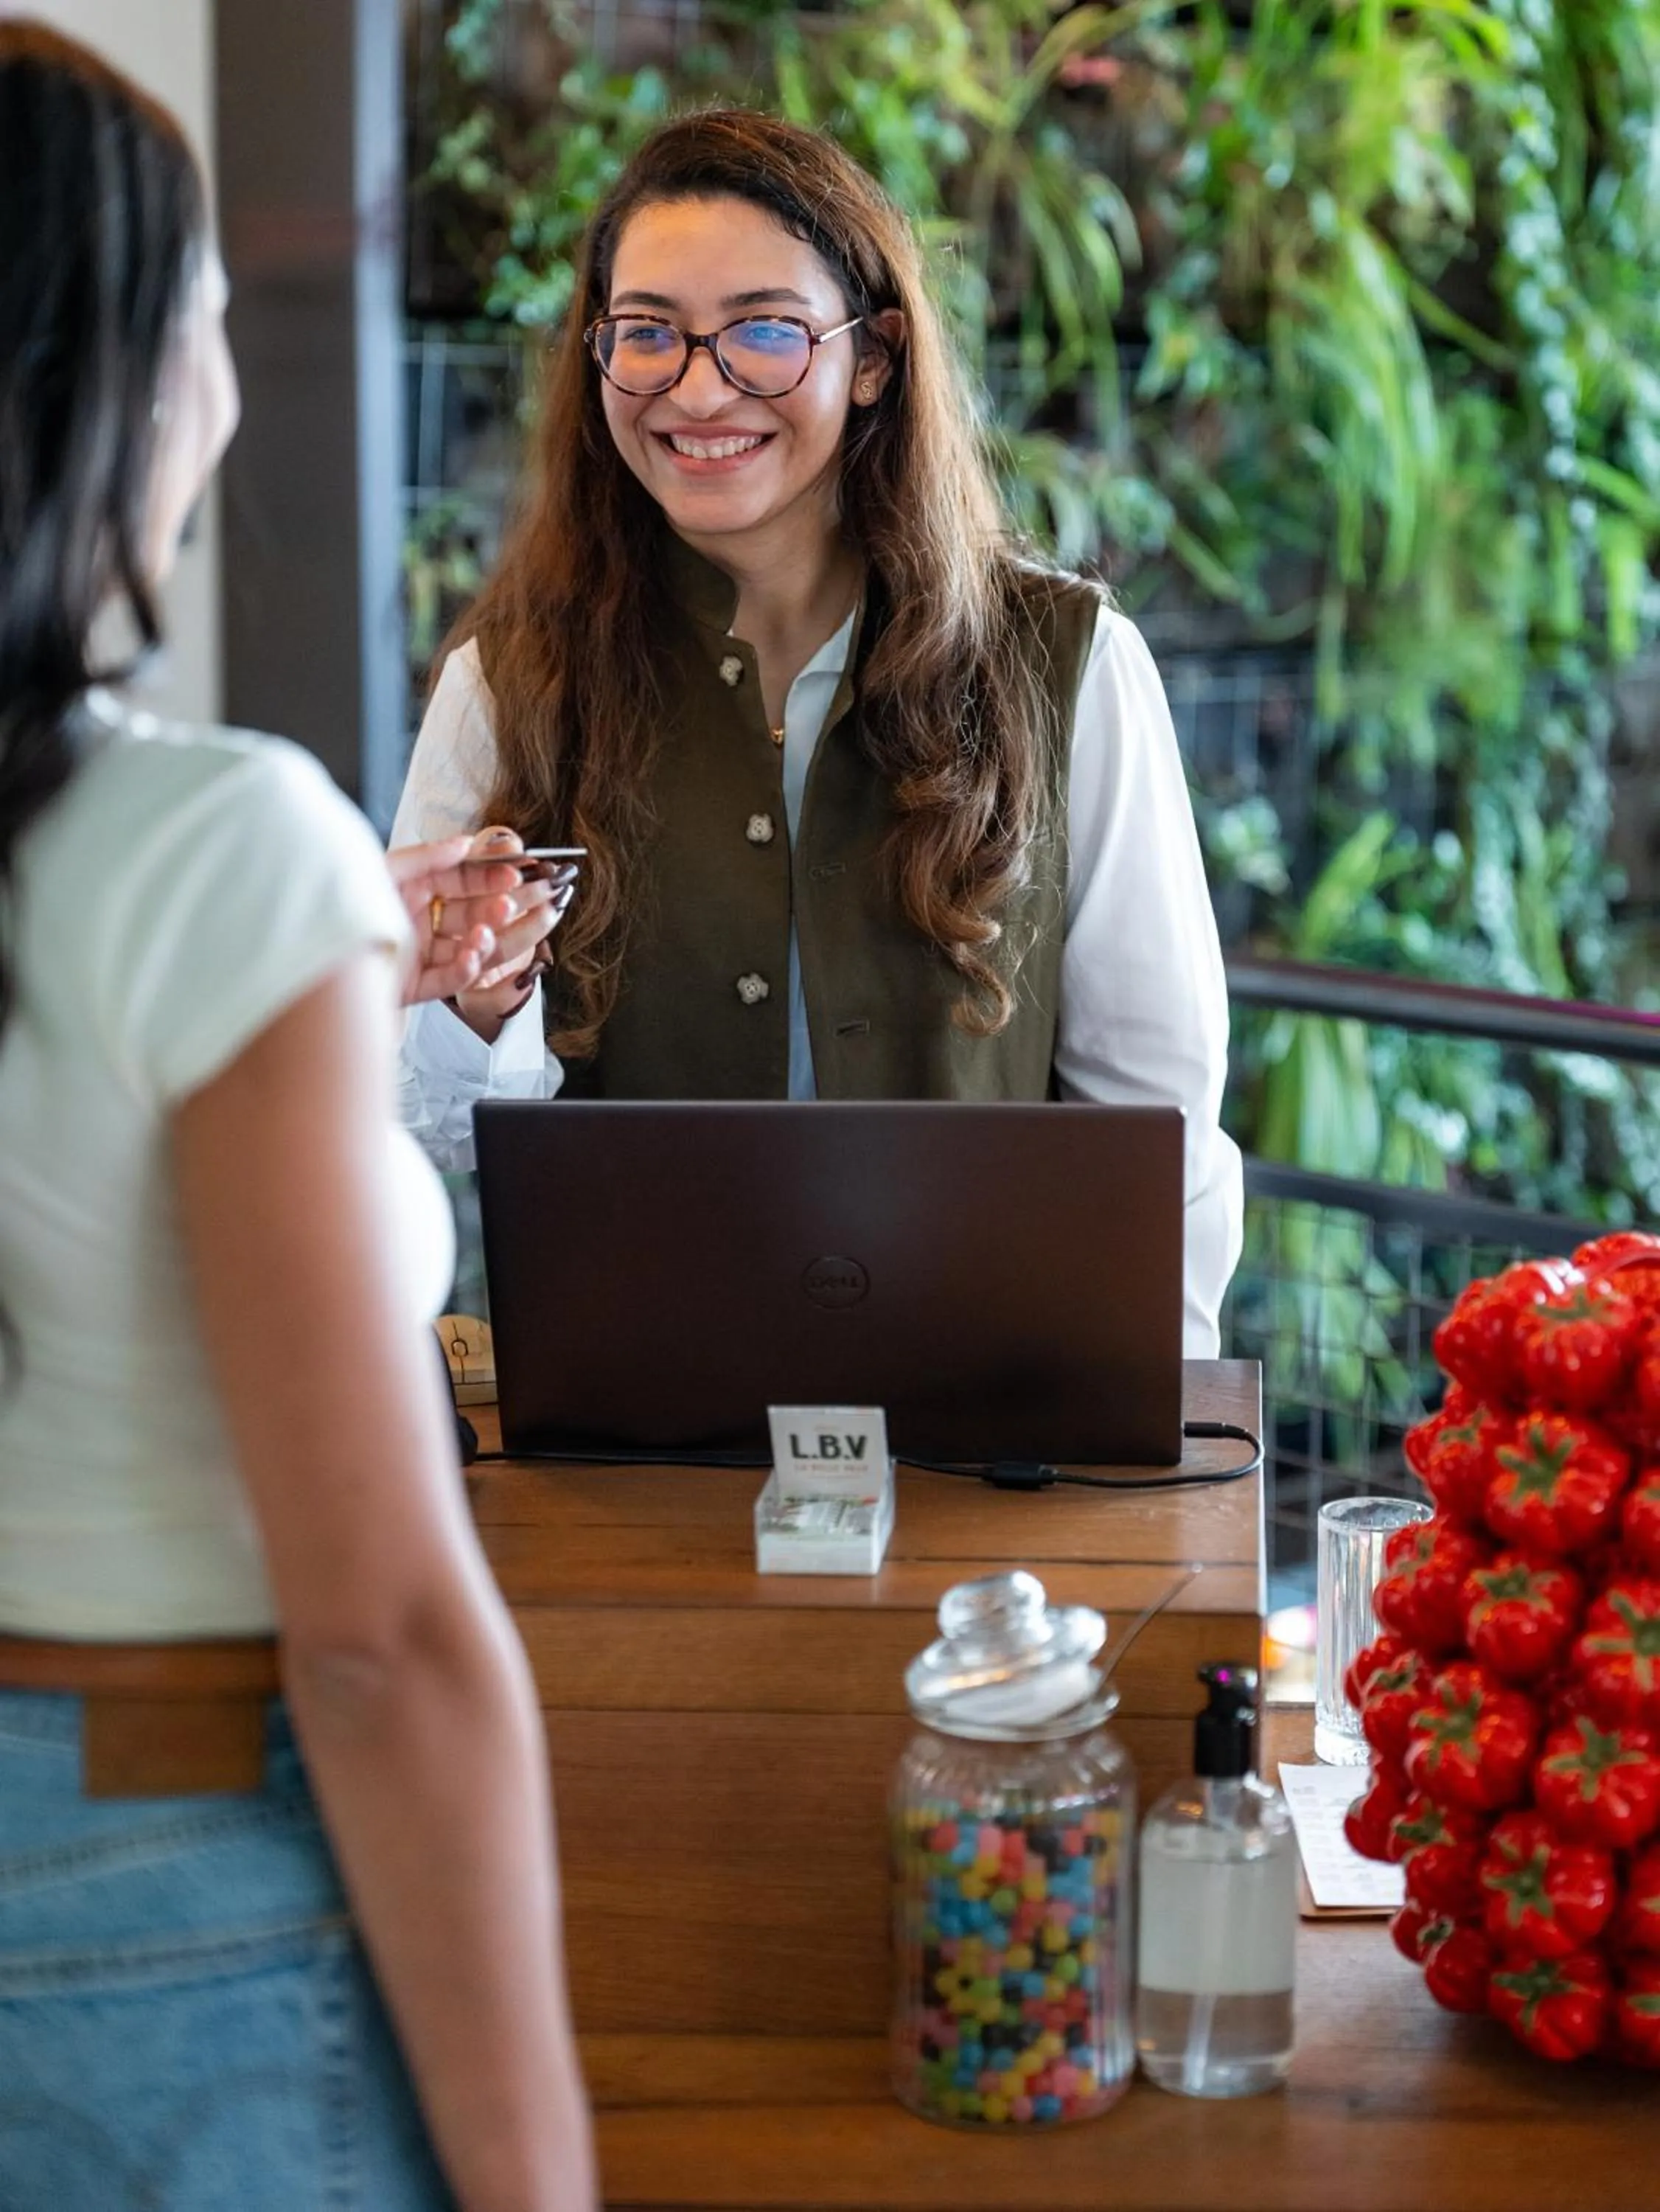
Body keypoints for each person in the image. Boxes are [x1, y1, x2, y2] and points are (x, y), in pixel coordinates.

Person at [0, 26, 596, 2212]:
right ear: (116, 374)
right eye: (218, 329)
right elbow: (376, 1632)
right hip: (158, 1909)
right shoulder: (222, 843)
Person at [393, 108, 1242, 1354]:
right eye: (648, 335)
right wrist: (473, 1005)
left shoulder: (1066, 662)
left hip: (994, 1409)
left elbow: (1159, 1116)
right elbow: (433, 1128)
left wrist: (1155, 1419)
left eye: (765, 332)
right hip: (637, 1415)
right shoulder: (509, 679)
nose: (697, 386)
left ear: (877, 357)